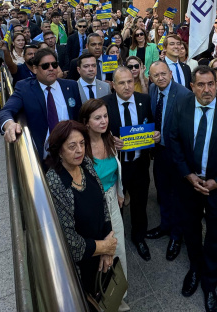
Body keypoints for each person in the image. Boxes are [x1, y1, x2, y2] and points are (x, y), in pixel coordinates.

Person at [168, 66, 217, 312]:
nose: (207, 89)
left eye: (211, 84)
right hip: (189, 185)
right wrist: (188, 175)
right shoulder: (181, 107)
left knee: (216, 236)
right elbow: (173, 141)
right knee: (191, 230)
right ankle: (195, 269)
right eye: (201, 85)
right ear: (192, 87)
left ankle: (210, 284)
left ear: (216, 85)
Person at [45, 121, 118, 297]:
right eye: (72, 146)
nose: (79, 150)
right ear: (59, 150)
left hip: (102, 248)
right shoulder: (55, 181)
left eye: (82, 143)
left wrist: (108, 241)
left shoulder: (85, 163)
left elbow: (102, 201)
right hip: (81, 263)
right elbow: (71, 242)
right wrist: (104, 247)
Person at [101, 67, 159, 262]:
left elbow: (151, 124)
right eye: (121, 83)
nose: (127, 86)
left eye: (129, 82)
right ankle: (116, 239)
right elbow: (96, 131)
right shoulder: (105, 104)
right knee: (115, 205)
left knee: (140, 203)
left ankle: (139, 237)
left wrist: (155, 135)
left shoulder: (145, 100)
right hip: (116, 167)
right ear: (113, 85)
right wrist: (109, 139)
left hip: (140, 164)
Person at [79, 100, 130, 312]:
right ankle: (100, 296)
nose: (103, 121)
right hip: (93, 209)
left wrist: (119, 193)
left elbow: (116, 171)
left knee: (118, 248)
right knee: (100, 254)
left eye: (106, 116)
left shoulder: (109, 139)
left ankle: (118, 293)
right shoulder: (81, 148)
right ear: (86, 122)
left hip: (112, 202)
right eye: (97, 118)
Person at [0, 48, 83, 162]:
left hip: (72, 153)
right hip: (45, 157)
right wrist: (9, 125)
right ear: (35, 69)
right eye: (45, 66)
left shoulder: (71, 86)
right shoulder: (25, 88)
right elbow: (5, 111)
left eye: (54, 65)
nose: (51, 68)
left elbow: (79, 117)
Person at [147, 61, 190, 261]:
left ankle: (176, 235)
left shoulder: (183, 94)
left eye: (163, 73)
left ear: (171, 73)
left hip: (177, 154)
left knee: (178, 195)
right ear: (151, 78)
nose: (160, 78)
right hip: (160, 152)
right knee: (162, 190)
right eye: (156, 75)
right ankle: (165, 226)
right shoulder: (152, 90)